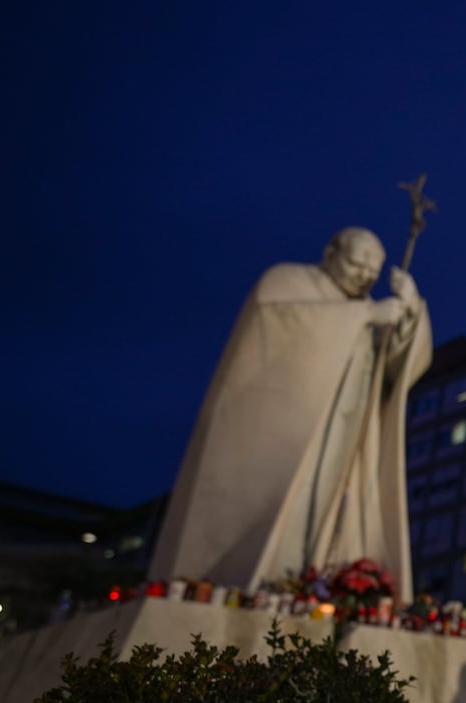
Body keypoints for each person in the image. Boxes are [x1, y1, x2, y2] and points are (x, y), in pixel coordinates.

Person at [148, 227, 432, 600]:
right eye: (356, 263)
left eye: (372, 271)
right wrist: (363, 316)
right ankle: (260, 581)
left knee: (325, 511)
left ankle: (308, 584)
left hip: (343, 431)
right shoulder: (287, 282)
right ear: (330, 250)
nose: (363, 276)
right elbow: (277, 325)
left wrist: (411, 311)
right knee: (286, 508)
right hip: (288, 430)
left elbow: (396, 369)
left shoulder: (367, 310)